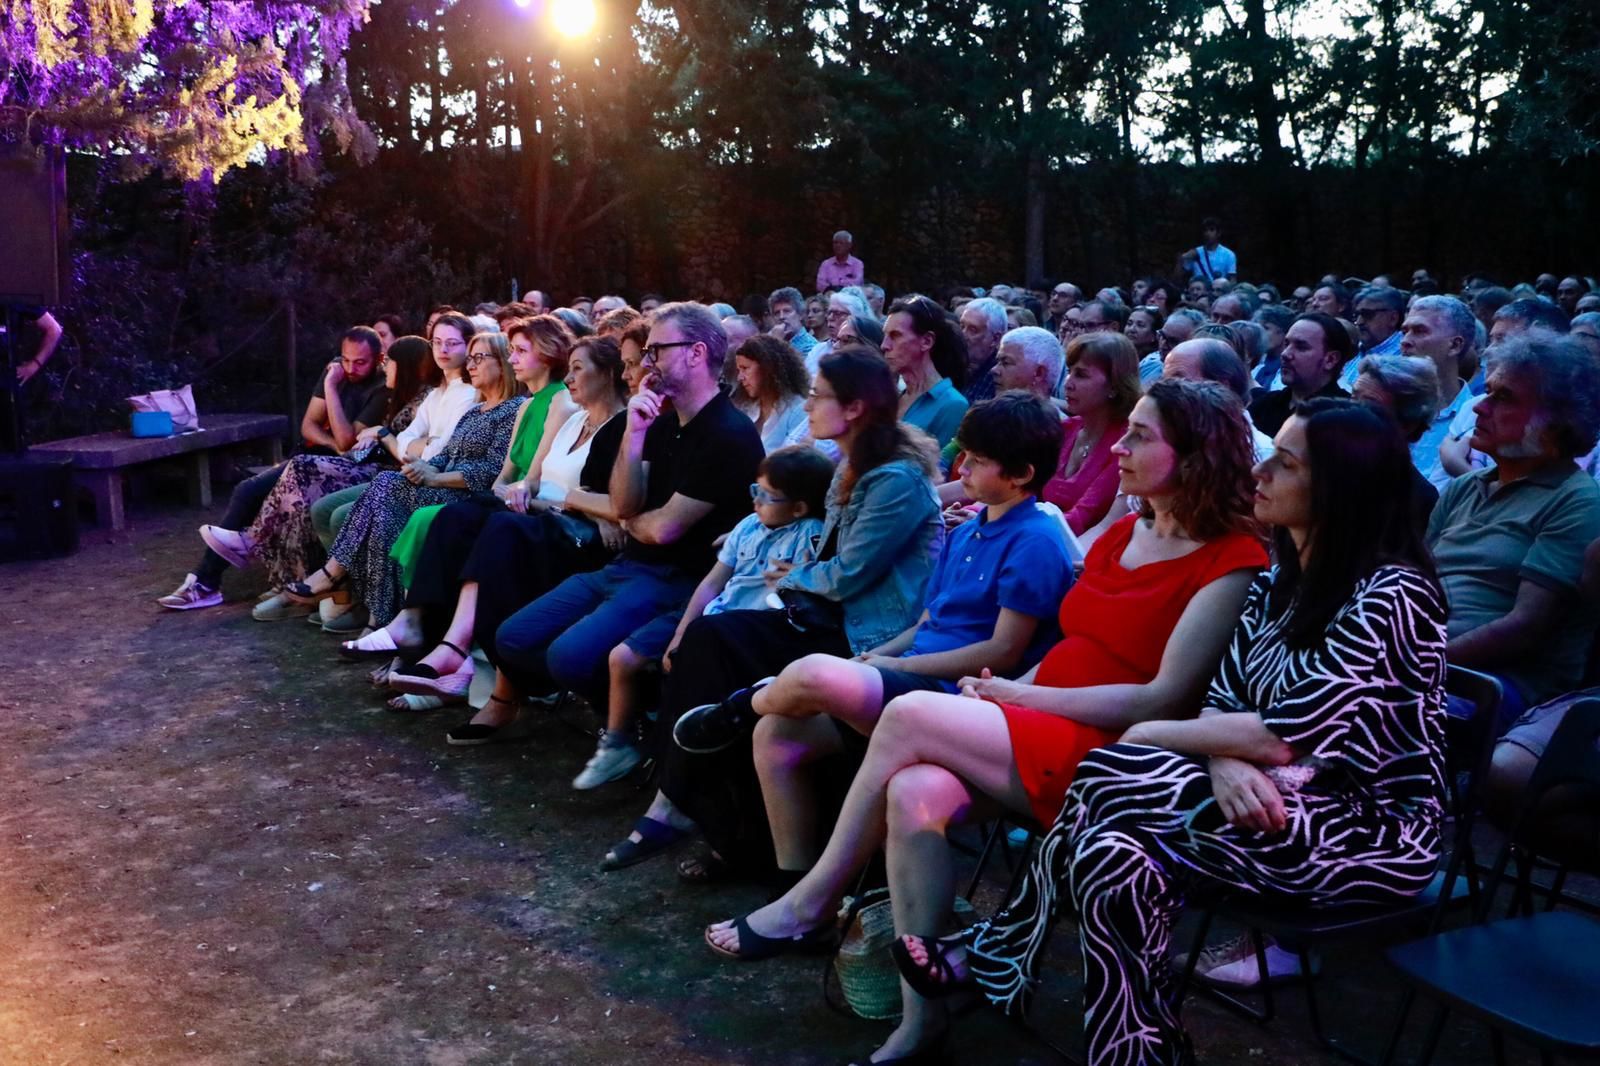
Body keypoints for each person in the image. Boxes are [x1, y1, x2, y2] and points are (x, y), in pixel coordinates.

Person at [701, 381, 1266, 1066]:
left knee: (906, 713)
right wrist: (1015, 689)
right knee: (914, 794)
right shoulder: (1125, 530)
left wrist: (1019, 698)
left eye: (1141, 435)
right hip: (1035, 718)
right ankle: (921, 1019)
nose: (1118, 444)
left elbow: (1161, 698)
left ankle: (813, 899)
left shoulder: (1233, 559)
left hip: (1114, 759)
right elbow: (1069, 647)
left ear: (1198, 453)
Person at [908, 399, 1447, 1065]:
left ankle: (997, 949)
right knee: (1115, 859)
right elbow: (1226, 706)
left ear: (1340, 487)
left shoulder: (1392, 595)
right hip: (1254, 797)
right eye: (1267, 453)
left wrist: (1159, 737)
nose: (1261, 470)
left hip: (1363, 828)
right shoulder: (1282, 582)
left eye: (1285, 462)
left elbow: (1282, 735)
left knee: (1117, 767)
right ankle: (1138, 1051)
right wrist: (1224, 760)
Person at [675, 393, 1072, 883]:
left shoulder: (1035, 540)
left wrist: (891, 667)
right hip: (911, 670)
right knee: (778, 735)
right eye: (962, 453)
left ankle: (739, 707)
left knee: (816, 670)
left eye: (979, 460)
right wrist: (877, 656)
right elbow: (927, 623)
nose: (961, 467)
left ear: (1021, 474)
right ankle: (791, 877)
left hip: (955, 697)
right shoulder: (968, 532)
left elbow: (1002, 651)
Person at [601, 347, 942, 874]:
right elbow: (827, 564)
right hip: (828, 618)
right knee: (708, 644)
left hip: (869, 637)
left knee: (718, 646)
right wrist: (785, 564)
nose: (807, 405)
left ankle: (685, 807)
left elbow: (847, 572)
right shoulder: (854, 466)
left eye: (817, 395)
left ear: (852, 408)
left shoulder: (893, 479)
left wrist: (793, 575)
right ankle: (709, 818)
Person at [445, 303, 764, 744]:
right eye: (646, 353)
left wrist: (627, 518)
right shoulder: (660, 420)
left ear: (696, 353)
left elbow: (660, 529)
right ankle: (618, 706)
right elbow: (625, 502)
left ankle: (635, 723)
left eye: (657, 351)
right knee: (513, 638)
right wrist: (633, 435)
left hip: (678, 578)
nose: (647, 364)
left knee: (568, 657)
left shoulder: (728, 434)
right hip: (629, 566)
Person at [372, 337, 632, 709]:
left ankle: (456, 651)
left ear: (607, 374)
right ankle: (421, 632)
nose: (570, 378)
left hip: (572, 535)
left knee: (497, 528)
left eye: (578, 369)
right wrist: (524, 492)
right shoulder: (574, 420)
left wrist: (569, 504)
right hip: (543, 515)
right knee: (458, 517)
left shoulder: (622, 426)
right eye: (570, 368)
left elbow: (611, 502)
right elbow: (534, 479)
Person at [578, 446, 834, 789]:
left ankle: (678, 763)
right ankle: (620, 742)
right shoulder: (747, 526)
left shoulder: (811, 537)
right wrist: (682, 633)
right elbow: (713, 581)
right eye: (754, 490)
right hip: (712, 616)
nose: (755, 500)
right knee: (624, 657)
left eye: (766, 495)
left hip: (746, 633)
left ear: (799, 507)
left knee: (695, 679)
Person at [283, 331, 527, 623]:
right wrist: (423, 467)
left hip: (468, 496)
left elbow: (490, 471)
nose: (470, 365)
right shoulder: (475, 411)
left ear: (502, 364)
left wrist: (433, 477)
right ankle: (376, 615)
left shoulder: (512, 410)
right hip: (443, 483)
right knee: (386, 499)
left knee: (386, 488)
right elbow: (443, 453)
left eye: (479, 357)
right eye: (470, 358)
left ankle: (339, 580)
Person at [198, 335, 438, 621]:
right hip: (363, 463)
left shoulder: (417, 399)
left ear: (406, 367)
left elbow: (393, 448)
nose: (385, 368)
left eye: (390, 363)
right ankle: (290, 584)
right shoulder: (397, 395)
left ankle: (257, 543)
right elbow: (309, 426)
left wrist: (380, 435)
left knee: (302, 470)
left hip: (386, 472)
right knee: (291, 490)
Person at [1427, 332, 1600, 729]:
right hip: (1426, 664)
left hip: (1495, 685)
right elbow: (1413, 583)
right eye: (1487, 391)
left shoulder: (1577, 501)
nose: (1481, 408)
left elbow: (1525, 628)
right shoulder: (1463, 487)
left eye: (1504, 398)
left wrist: (1418, 664)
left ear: (1557, 421)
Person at [157, 326, 389, 610]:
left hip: (338, 468)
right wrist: (334, 440)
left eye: (360, 362)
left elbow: (346, 440)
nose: (351, 368)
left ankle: (234, 557)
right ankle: (204, 581)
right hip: (314, 458)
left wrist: (330, 389)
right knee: (246, 490)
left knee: (276, 488)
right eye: (346, 359)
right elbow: (309, 426)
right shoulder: (336, 370)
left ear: (378, 359)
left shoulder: (380, 389)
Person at [1042, 332, 1140, 533]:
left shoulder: (1124, 443)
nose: (1067, 383)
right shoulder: (1063, 429)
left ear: (1114, 386)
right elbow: (1022, 492)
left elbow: (1083, 517)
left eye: (1081, 375)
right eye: (1069, 372)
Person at [1351, 354, 1443, 529]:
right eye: (1353, 397)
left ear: (1407, 425)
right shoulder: (1320, 465)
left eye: (1369, 405)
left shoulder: (1417, 499)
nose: (1350, 411)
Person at [1399, 295, 1478, 488]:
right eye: (1404, 331)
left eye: (1419, 331)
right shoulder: (1386, 406)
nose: (1405, 341)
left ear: (1455, 345)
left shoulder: (1477, 418)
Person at [882, 295, 969, 450]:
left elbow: (938, 469)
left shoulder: (953, 405)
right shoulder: (893, 396)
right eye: (885, 335)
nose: (884, 345)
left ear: (926, 341)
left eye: (895, 335)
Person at [1248, 311, 1353, 436]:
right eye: (1286, 344)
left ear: (1330, 360)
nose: (1285, 354)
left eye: (1301, 347)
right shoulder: (1263, 406)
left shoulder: (1347, 419)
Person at [730, 335, 813, 452]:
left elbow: (793, 461)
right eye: (739, 370)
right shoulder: (747, 408)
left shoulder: (798, 410)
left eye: (745, 368)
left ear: (767, 368)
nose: (740, 377)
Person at [1338, 284, 1407, 389]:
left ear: (1393, 318)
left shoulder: (1407, 356)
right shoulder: (1352, 350)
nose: (1359, 322)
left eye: (1367, 314)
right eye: (1356, 315)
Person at [957, 298, 1007, 403]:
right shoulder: (949, 364)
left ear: (995, 339)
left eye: (973, 330)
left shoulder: (999, 378)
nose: (962, 335)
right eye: (961, 326)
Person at [1180, 216, 1238, 286]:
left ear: (1218, 233)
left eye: (1211, 230)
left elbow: (1232, 280)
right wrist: (1181, 259)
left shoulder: (1229, 254)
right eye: (1205, 230)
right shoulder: (1195, 252)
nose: (1208, 233)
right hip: (1198, 292)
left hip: (1219, 292)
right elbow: (1178, 276)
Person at [1252, 304, 1294, 391]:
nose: (1260, 333)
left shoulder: (1292, 371)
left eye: (1266, 328)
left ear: (1284, 333)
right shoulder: (1254, 364)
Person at [767, 286, 816, 358]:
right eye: (777, 313)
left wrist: (776, 343)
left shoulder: (811, 347)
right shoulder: (769, 340)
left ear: (800, 314)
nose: (781, 317)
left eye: (787, 311)